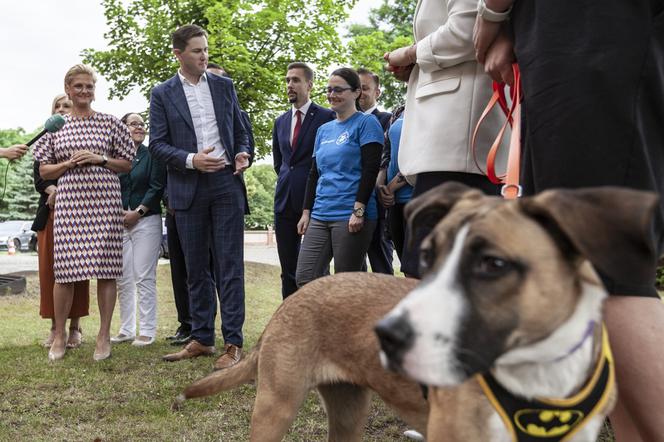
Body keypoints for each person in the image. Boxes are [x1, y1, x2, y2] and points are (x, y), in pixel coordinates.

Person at [474, 2, 664, 440]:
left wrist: (492, 12)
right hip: (578, 32)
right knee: (587, 270)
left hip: (586, 26)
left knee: (600, 267)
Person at [150, 24, 251, 370]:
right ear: (179, 54)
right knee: (195, 269)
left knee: (229, 265)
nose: (204, 55)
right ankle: (203, 339)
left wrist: (243, 154)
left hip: (225, 183)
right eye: (196, 50)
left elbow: (241, 130)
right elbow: (157, 145)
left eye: (206, 49)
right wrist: (192, 160)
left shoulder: (224, 86)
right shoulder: (162, 93)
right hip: (187, 187)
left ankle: (233, 342)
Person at [383, 0, 505, 278]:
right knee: (428, 268)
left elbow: (465, 31)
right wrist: (415, 68)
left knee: (432, 270)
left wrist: (411, 53)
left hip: (457, 143)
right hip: (445, 144)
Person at [33, 64, 134, 362]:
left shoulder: (110, 123)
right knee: (64, 271)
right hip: (70, 203)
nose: (84, 92)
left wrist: (100, 159)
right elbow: (44, 170)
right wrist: (67, 165)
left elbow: (127, 163)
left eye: (89, 86)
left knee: (106, 270)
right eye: (78, 86)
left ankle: (103, 335)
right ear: (68, 89)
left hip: (104, 202)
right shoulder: (56, 126)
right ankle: (61, 334)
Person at [295, 67, 383, 287]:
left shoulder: (366, 123)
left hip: (350, 215)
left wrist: (359, 210)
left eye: (338, 90)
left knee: (346, 283)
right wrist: (306, 212)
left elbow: (370, 169)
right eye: (329, 89)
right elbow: (314, 174)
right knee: (305, 278)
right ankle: (322, 322)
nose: (332, 95)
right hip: (321, 213)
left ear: (356, 93)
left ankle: (357, 321)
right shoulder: (323, 130)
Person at [272, 62, 335, 298]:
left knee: (316, 270)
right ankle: (290, 322)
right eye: (287, 80)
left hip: (317, 202)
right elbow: (281, 164)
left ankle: (320, 318)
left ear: (309, 85)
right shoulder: (280, 122)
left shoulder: (327, 117)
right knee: (287, 269)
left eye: (295, 80)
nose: (290, 85)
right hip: (284, 202)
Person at [32, 94, 90, 349]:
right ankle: (56, 328)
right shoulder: (45, 139)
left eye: (66, 105)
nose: (62, 109)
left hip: (79, 215)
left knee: (77, 271)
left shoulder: (85, 138)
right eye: (58, 106)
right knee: (50, 273)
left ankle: (75, 327)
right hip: (50, 214)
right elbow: (40, 178)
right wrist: (52, 191)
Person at [111, 113, 166, 347]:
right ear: (122, 129)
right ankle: (126, 329)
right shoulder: (114, 157)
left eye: (142, 124)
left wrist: (139, 212)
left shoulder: (152, 154)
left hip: (147, 220)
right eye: (133, 123)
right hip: (119, 221)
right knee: (123, 277)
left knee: (144, 276)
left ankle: (147, 330)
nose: (139, 127)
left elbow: (157, 186)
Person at [357, 68, 394, 276]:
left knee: (381, 265)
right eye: (357, 88)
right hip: (350, 202)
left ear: (377, 92)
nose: (360, 93)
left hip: (377, 206)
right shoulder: (343, 123)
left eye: (365, 88)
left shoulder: (388, 120)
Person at [376, 106, 416, 277]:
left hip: (416, 199)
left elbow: (422, 156)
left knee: (417, 269)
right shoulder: (400, 110)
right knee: (405, 267)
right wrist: (380, 183)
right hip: (394, 202)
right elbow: (388, 151)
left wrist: (391, 187)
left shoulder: (429, 108)